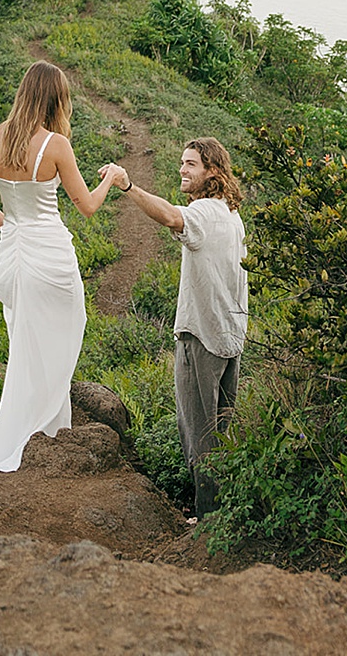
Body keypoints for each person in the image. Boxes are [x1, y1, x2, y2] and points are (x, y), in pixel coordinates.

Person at [0, 60, 122, 474]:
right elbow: (88, 207)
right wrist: (112, 177)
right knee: (67, 327)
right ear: (56, 99)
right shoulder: (55, 145)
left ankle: (29, 423)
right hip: (50, 252)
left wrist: (15, 228)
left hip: (15, 251)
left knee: (24, 341)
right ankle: (49, 426)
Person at [119, 137, 249, 522]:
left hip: (203, 334)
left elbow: (172, 217)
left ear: (212, 170)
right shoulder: (231, 213)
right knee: (223, 429)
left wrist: (128, 186)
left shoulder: (205, 212)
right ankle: (229, 509)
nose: (182, 169)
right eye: (182, 162)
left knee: (198, 432)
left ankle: (208, 520)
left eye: (191, 164)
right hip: (231, 334)